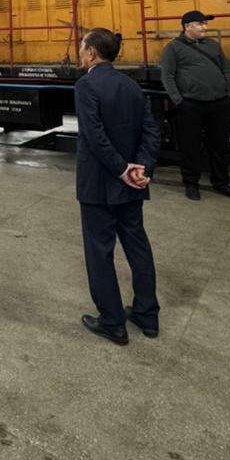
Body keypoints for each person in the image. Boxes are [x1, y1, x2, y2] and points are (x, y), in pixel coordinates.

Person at [75, 27, 161, 346]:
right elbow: (151, 131)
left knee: (100, 251)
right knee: (138, 246)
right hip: (131, 185)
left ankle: (112, 322)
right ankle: (147, 314)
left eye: (82, 46)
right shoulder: (131, 85)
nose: (79, 51)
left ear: (92, 53)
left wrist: (122, 169)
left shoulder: (86, 85)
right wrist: (141, 168)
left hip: (99, 185)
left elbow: (94, 136)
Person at [160, 10, 230, 202]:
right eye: (200, 24)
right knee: (190, 146)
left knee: (220, 145)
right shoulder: (173, 48)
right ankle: (191, 184)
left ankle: (221, 183)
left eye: (205, 24)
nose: (205, 27)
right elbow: (167, 75)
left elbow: (226, 70)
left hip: (219, 103)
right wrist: (179, 100)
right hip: (191, 104)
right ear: (187, 26)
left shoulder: (213, 45)